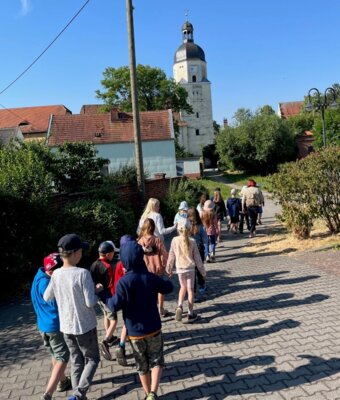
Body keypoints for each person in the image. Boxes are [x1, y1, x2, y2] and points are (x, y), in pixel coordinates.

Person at [107, 239, 173, 400]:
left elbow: (114, 306)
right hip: (154, 328)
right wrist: (167, 279)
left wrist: (105, 296)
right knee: (157, 360)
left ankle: (146, 393)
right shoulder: (149, 277)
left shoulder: (123, 282)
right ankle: (153, 393)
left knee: (141, 365)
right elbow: (168, 288)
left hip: (134, 332)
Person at [44, 233, 100, 400]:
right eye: (81, 250)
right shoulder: (82, 273)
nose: (82, 253)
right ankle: (78, 393)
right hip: (85, 326)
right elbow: (90, 302)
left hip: (66, 326)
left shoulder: (56, 275)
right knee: (92, 360)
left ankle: (77, 397)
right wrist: (97, 291)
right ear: (75, 253)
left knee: (77, 361)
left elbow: (47, 297)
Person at [31, 253, 72, 400]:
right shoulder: (48, 283)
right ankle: (48, 393)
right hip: (54, 326)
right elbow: (56, 303)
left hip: (43, 325)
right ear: (54, 269)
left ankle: (63, 381)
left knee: (55, 354)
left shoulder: (38, 277)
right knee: (63, 357)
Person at [166, 219, 207, 323]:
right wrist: (203, 272)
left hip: (180, 269)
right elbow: (197, 258)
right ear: (189, 230)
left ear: (178, 230)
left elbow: (171, 255)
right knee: (190, 290)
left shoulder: (174, 240)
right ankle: (190, 313)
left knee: (182, 288)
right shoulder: (192, 241)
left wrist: (169, 268)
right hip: (190, 268)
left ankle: (179, 305)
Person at [90, 241, 123, 361]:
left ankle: (110, 336)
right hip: (107, 296)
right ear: (108, 254)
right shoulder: (108, 267)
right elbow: (111, 283)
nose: (113, 256)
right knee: (114, 320)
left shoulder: (94, 264)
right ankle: (105, 341)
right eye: (113, 254)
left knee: (106, 315)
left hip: (98, 296)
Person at [138, 218, 169, 317]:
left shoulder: (139, 241)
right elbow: (164, 255)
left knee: (148, 290)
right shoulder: (157, 240)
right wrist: (165, 266)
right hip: (158, 269)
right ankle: (160, 309)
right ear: (153, 228)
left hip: (145, 270)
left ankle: (150, 309)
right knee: (160, 290)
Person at [187, 207, 208, 294]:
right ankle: (202, 285)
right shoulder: (201, 226)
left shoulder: (186, 226)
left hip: (189, 250)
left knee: (191, 270)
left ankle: (192, 289)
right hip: (199, 249)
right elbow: (205, 240)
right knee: (199, 268)